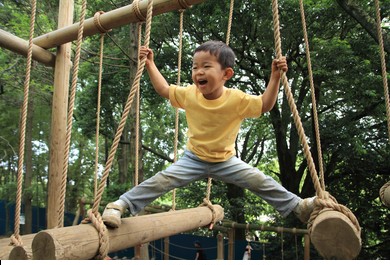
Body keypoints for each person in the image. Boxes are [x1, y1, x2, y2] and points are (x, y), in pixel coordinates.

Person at [101, 40, 315, 228]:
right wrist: (149, 63)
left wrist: (275, 77)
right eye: (195, 67)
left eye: (206, 66)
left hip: (225, 160)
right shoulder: (190, 94)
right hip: (193, 158)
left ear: (226, 74)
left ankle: (298, 207)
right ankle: (119, 205)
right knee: (162, 180)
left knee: (259, 180)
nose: (198, 72)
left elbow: (265, 105)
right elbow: (164, 89)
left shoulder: (236, 99)